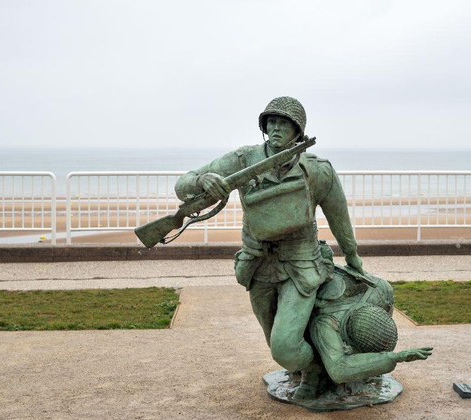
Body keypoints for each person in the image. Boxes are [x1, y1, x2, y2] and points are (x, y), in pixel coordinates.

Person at [174, 97, 362, 398]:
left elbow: (338, 216)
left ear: (297, 131)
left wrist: (352, 255)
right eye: (271, 122)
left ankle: (315, 371)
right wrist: (203, 179)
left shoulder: (317, 170)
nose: (275, 128)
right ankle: (307, 366)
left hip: (300, 265)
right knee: (273, 339)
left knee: (284, 347)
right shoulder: (244, 159)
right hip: (257, 265)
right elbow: (184, 184)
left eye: (283, 123)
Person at [301, 262, 433, 397]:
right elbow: (338, 370)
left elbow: (385, 316)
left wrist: (377, 361)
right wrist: (393, 357)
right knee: (297, 345)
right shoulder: (326, 323)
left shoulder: (381, 291)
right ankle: (311, 372)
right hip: (307, 292)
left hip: (344, 292)